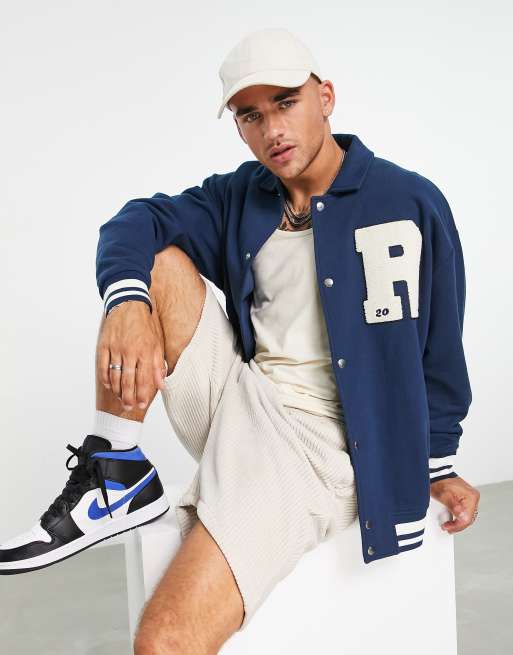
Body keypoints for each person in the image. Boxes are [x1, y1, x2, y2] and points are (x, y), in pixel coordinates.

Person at [0, 27, 479, 654]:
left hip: (315, 451)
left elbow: (441, 345)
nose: (272, 129)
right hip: (238, 398)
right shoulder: (241, 196)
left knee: (164, 642)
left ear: (325, 97)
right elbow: (134, 220)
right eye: (250, 115)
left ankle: (219, 497)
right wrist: (125, 303)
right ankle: (115, 468)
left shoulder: (408, 199)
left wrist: (436, 467)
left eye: (286, 102)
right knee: (157, 262)